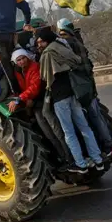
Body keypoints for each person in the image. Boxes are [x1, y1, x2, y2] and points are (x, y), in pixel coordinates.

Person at [38, 29, 104, 174]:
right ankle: (98, 160)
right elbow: (77, 60)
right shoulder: (63, 47)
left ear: (46, 40)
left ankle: (80, 164)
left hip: (60, 99)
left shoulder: (48, 53)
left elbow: (44, 76)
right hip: (73, 95)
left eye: (40, 41)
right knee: (85, 128)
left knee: (69, 133)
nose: (38, 44)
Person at [57, 19, 112, 157]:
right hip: (88, 85)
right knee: (96, 116)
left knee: (90, 119)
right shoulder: (77, 41)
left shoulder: (68, 44)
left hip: (80, 87)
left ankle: (106, 146)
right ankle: (108, 144)